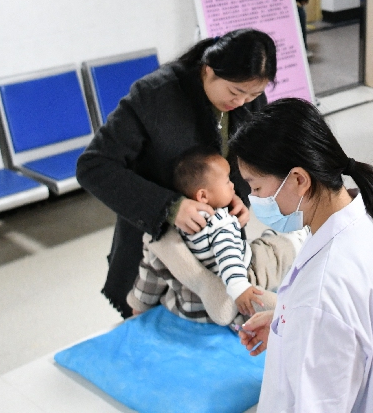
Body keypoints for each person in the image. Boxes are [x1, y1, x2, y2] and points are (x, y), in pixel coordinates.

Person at [231, 98, 373, 413]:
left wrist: (305, 322)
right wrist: (289, 326)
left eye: (256, 188)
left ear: (299, 180)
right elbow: (350, 326)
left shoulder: (323, 291)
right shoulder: (367, 219)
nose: (253, 199)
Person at [77, 29, 276, 318]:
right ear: (208, 71)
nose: (242, 101)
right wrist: (171, 206)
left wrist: (237, 197)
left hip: (215, 254)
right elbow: (93, 166)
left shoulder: (249, 100)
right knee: (149, 331)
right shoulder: (155, 96)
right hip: (157, 250)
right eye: (235, 91)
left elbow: (246, 160)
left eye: (254, 94)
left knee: (210, 328)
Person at [127, 145, 306, 324]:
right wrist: (239, 288)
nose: (233, 185)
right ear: (203, 196)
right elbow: (229, 257)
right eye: (227, 181)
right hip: (245, 272)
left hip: (193, 306)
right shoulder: (220, 223)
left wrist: (139, 304)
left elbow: (152, 270)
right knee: (275, 250)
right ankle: (296, 236)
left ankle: (273, 236)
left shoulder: (174, 228)